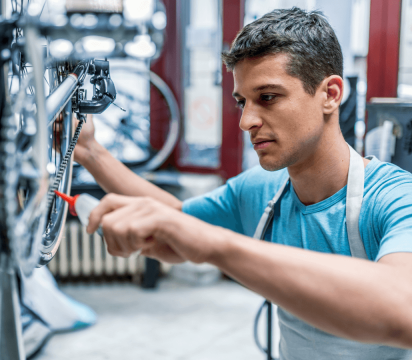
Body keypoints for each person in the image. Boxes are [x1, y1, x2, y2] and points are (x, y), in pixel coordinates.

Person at [72, 7, 412, 359]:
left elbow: (403, 309)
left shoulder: (394, 198)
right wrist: (89, 150)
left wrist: (220, 245)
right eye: (242, 102)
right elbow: (174, 219)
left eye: (268, 97)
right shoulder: (264, 191)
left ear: (330, 94)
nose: (246, 120)